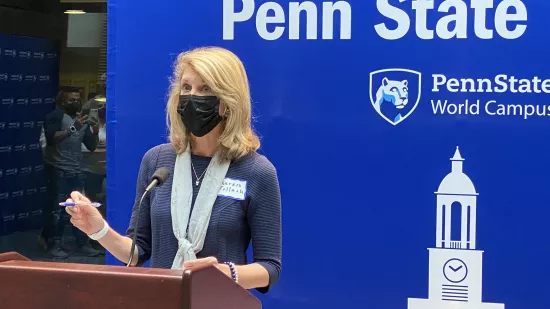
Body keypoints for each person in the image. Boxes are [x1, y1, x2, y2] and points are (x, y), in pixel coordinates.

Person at [65, 47, 282, 292]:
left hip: (220, 300)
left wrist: (228, 273)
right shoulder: (157, 161)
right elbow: (137, 252)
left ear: (229, 101)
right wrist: (98, 229)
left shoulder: (256, 171)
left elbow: (270, 267)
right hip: (162, 299)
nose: (193, 97)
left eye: (206, 89)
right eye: (186, 88)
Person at [40, 87, 102, 258]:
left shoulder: (81, 119)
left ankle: (83, 243)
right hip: (58, 169)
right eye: (71, 99)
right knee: (58, 210)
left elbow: (91, 145)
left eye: (77, 98)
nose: (75, 102)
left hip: (77, 169)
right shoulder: (55, 117)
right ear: (61, 101)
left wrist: (94, 132)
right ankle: (54, 244)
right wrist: (72, 128)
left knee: (81, 208)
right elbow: (52, 139)